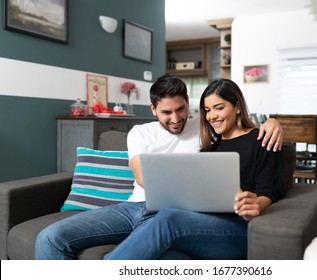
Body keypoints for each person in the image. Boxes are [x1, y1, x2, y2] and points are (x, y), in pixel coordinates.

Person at [35, 75, 283, 260]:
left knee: (168, 218)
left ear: (188, 105)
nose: (175, 119)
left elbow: (267, 186)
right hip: (135, 208)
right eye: (166, 112)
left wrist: (275, 122)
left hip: (180, 216)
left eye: (181, 110)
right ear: (153, 109)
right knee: (49, 237)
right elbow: (144, 178)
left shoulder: (209, 131)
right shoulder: (150, 133)